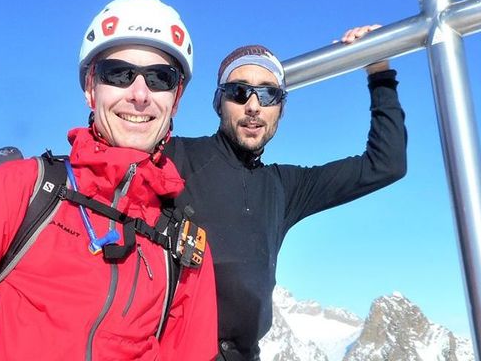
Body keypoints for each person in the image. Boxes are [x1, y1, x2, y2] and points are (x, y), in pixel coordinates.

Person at [0, 0, 218, 360]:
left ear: (176, 98)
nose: (139, 94)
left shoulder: (182, 248)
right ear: (91, 87)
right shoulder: (23, 189)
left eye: (160, 78)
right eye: (119, 73)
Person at [163, 25, 407, 360]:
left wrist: (379, 71)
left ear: (281, 109)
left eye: (268, 94)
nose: (253, 105)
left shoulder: (285, 187)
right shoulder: (176, 158)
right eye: (238, 91)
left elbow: (386, 164)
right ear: (219, 103)